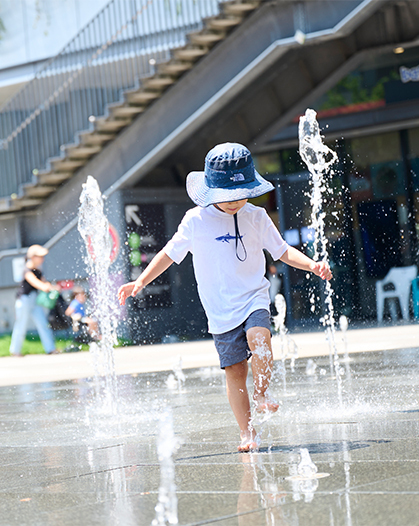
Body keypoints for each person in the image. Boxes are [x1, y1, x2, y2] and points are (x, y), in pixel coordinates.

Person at [117, 143, 332, 452]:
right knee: (235, 371)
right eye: (227, 196)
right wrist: (140, 281)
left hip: (253, 296)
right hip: (219, 308)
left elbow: (282, 251)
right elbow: (168, 254)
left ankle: (262, 393)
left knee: (260, 337)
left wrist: (312, 265)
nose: (234, 202)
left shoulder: (257, 216)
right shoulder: (195, 220)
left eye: (240, 194)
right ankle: (247, 432)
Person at [9, 244, 60, 356]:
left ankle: (50, 349)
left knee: (43, 323)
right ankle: (15, 351)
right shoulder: (26, 270)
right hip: (24, 300)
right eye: (40, 256)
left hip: (34, 300)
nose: (42, 259)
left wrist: (53, 287)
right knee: (21, 325)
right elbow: (37, 283)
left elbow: (44, 282)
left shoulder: (38, 270)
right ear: (32, 257)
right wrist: (46, 287)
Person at [64, 285, 100, 351]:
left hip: (82, 319)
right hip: (78, 319)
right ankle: (94, 336)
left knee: (93, 320)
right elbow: (68, 312)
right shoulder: (75, 303)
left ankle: (95, 336)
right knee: (91, 321)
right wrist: (75, 316)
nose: (84, 297)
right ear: (77, 296)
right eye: (83, 295)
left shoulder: (80, 303)